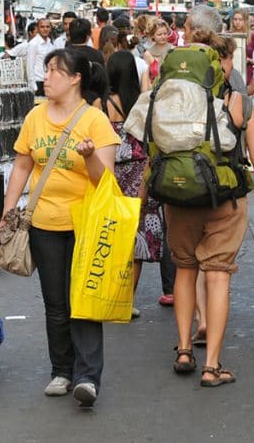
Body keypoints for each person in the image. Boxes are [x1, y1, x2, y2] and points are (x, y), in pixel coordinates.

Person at [0, 47, 119, 408]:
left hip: (87, 225)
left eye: (54, 71)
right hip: (44, 223)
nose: (46, 76)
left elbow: (107, 181)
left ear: (75, 78)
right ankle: (62, 370)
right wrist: (8, 211)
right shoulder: (35, 117)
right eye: (47, 70)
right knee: (55, 303)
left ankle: (87, 377)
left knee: (82, 301)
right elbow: (21, 166)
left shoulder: (95, 121)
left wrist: (88, 157)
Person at [166, 5, 254, 388]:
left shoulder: (169, 93)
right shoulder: (241, 104)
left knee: (184, 268)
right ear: (224, 62)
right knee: (217, 276)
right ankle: (211, 364)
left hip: (177, 194)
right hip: (226, 198)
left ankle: (183, 348)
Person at [102, 52, 160, 318]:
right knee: (135, 243)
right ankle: (127, 299)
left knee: (109, 237)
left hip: (110, 174)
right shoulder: (142, 103)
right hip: (140, 174)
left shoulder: (101, 105)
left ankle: (109, 297)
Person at [9, 18, 59, 95]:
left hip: (48, 81)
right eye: (42, 27)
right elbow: (29, 66)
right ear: (38, 29)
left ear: (50, 28)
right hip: (37, 82)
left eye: (47, 27)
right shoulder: (33, 44)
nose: (45, 29)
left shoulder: (50, 44)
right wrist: (33, 86)